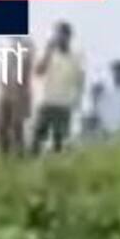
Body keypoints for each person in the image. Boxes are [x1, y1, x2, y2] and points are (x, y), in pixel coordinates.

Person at [32, 21, 85, 154]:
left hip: (64, 105)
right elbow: (38, 72)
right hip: (47, 102)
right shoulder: (49, 55)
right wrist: (48, 51)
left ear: (69, 37)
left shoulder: (76, 58)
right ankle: (31, 163)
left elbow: (80, 81)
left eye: (63, 35)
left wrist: (77, 101)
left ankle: (56, 164)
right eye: (57, 35)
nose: (60, 38)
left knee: (59, 143)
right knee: (37, 140)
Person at [0, 36, 34, 157]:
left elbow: (25, 72)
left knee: (17, 125)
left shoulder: (27, 50)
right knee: (3, 125)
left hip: (20, 94)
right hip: (6, 93)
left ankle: (19, 152)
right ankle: (5, 153)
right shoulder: (9, 51)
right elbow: (4, 72)